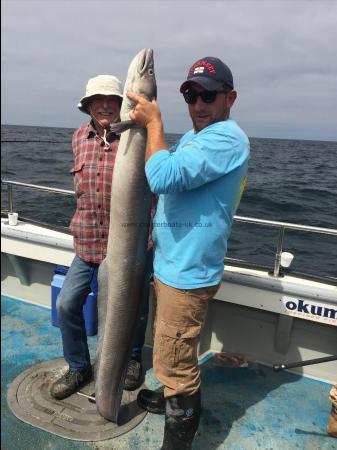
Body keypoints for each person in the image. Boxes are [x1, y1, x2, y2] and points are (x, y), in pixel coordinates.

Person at [127, 57, 249, 449]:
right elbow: (167, 182)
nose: (198, 104)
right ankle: (170, 398)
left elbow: (162, 176)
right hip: (169, 265)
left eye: (208, 95)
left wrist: (154, 124)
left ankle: (176, 438)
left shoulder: (227, 138)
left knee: (177, 367)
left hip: (186, 275)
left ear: (229, 98)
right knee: (169, 352)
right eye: (190, 95)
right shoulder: (196, 137)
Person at [51, 75, 151, 400]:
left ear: (122, 104)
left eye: (112, 99)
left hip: (128, 250)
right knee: (67, 305)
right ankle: (79, 366)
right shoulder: (79, 137)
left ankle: (132, 361)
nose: (105, 105)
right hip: (87, 244)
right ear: (88, 106)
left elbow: (154, 187)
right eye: (98, 100)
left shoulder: (138, 137)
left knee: (133, 310)